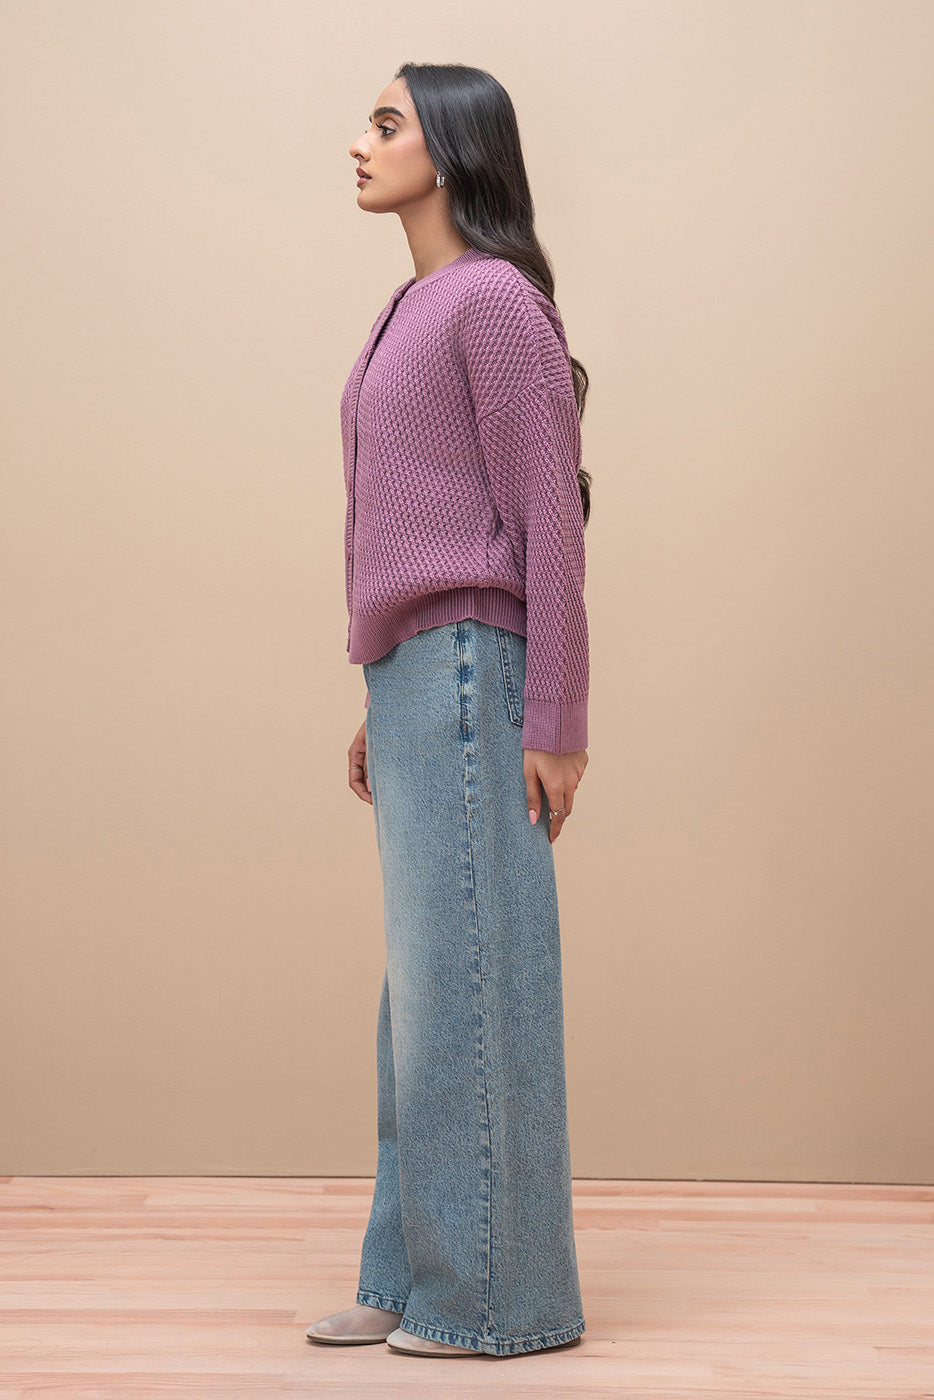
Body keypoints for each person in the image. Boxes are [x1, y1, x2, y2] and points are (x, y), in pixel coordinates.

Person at [305, 61, 591, 1359]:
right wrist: (383, 686)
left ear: (454, 149)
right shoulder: (410, 307)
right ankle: (408, 1271)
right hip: (421, 675)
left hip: (479, 668)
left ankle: (492, 1300)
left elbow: (546, 523)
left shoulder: (494, 303)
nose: (358, 145)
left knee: (471, 978)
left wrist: (557, 714)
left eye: (386, 125)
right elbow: (404, 520)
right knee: (424, 991)